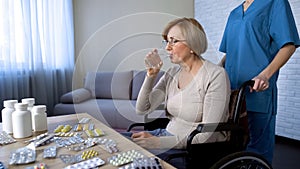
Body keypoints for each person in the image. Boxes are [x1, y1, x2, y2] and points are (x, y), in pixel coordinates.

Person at [126, 17, 231, 152]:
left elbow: (206, 136)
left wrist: (158, 143)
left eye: (174, 41)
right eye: (167, 41)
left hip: (190, 150)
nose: (167, 48)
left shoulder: (216, 75)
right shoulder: (172, 73)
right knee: (115, 142)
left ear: (193, 45)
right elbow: (142, 109)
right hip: (164, 136)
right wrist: (150, 76)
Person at [219, 0, 300, 164]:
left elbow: (289, 45)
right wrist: (213, 73)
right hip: (232, 93)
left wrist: (265, 75)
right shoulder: (234, 13)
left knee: (257, 153)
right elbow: (230, 53)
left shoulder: (275, 3)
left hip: (257, 90)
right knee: (233, 149)